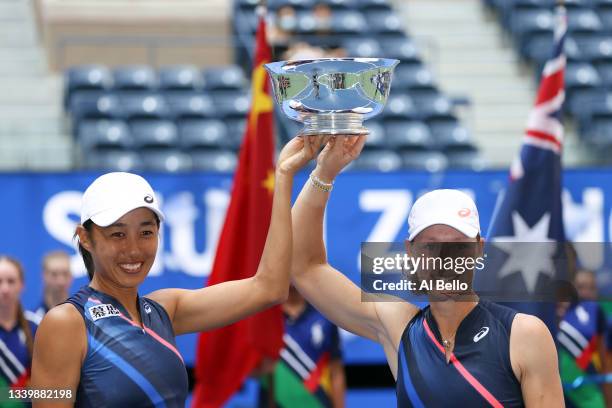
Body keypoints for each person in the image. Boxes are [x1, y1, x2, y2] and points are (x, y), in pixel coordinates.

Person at [30, 136, 322, 408]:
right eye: (117, 235)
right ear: (84, 237)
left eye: (146, 232)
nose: (133, 250)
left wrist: (284, 176)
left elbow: (269, 288)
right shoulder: (66, 323)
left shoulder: (163, 311)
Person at [290, 135, 564, 406]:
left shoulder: (523, 335)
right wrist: (323, 174)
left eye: (457, 245)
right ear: (411, 251)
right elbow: (305, 267)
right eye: (431, 246)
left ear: (479, 249)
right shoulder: (400, 327)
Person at [257, 286, 345, 408]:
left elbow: (336, 372)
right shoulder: (266, 316)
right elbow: (258, 368)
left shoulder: (325, 315)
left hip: (317, 403)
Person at [558, 269, 612, 407]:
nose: (586, 292)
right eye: (581, 287)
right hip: (558, 393)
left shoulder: (596, 312)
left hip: (588, 395)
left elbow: (605, 365)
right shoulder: (550, 312)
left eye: (592, 288)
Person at [0, 256, 39, 403]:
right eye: (0, 282)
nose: (5, 289)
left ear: (21, 285)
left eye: (11, 281)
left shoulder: (37, 327)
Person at [34, 251, 73, 320]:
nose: (61, 281)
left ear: (71, 277)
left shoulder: (83, 316)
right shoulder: (33, 319)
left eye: (65, 274)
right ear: (44, 276)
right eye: (54, 274)